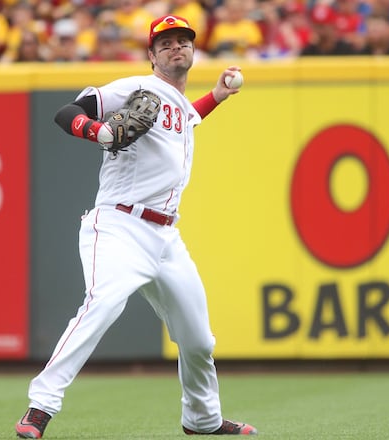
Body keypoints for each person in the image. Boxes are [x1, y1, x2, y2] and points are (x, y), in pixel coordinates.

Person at [15, 14, 258, 439]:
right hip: (118, 226)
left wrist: (216, 97)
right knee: (103, 303)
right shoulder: (136, 88)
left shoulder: (180, 106)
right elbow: (65, 112)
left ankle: (201, 420)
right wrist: (99, 133)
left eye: (182, 40)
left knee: (199, 339)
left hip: (166, 238)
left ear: (193, 50)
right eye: (165, 43)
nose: (175, 47)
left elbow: (186, 118)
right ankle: (40, 407)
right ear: (151, 56)